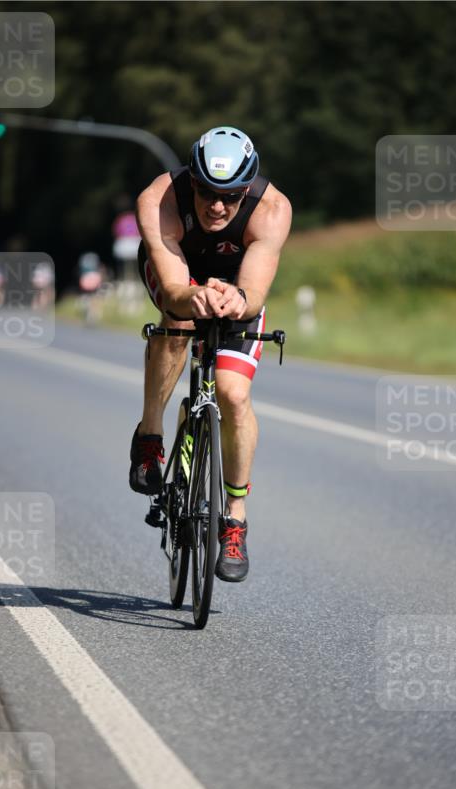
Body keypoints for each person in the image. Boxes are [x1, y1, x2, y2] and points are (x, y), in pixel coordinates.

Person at [132, 126, 292, 583]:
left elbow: (256, 293)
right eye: (205, 191)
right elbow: (173, 285)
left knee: (233, 394)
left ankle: (235, 520)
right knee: (178, 321)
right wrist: (194, 296)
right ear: (192, 180)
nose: (216, 206)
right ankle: (150, 436)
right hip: (177, 274)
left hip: (237, 285)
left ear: (248, 189)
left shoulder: (273, 210)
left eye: (231, 195)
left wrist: (239, 300)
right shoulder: (159, 199)